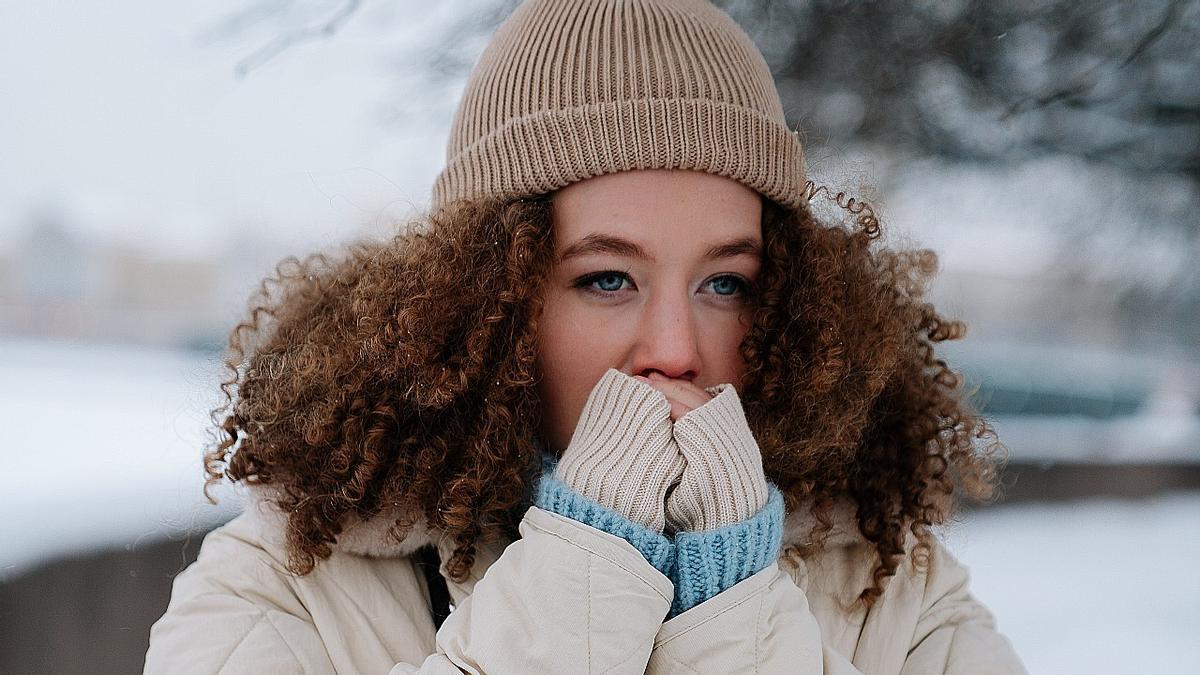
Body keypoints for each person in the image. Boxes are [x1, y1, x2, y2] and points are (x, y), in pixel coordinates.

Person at [145, 0, 1026, 672]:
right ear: (482, 298)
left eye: (726, 283)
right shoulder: (287, 586)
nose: (674, 349)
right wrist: (584, 576)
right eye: (607, 278)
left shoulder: (894, 588)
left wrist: (735, 608)